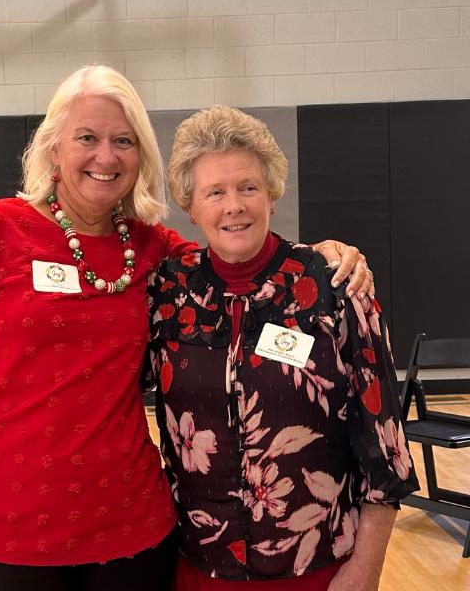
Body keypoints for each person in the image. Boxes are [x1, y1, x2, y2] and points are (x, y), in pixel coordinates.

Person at [0, 67, 373, 591]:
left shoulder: (154, 252)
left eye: (123, 141)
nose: (106, 156)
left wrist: (321, 259)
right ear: (53, 148)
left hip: (131, 529)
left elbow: (237, 254)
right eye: (87, 138)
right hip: (3, 525)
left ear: (140, 156)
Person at [145, 105, 419, 591]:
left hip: (317, 564)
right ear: (191, 207)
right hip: (197, 567)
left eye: (248, 187)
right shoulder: (169, 291)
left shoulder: (332, 284)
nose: (234, 205)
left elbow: (385, 441)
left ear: (271, 193)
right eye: (215, 192)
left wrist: (366, 568)